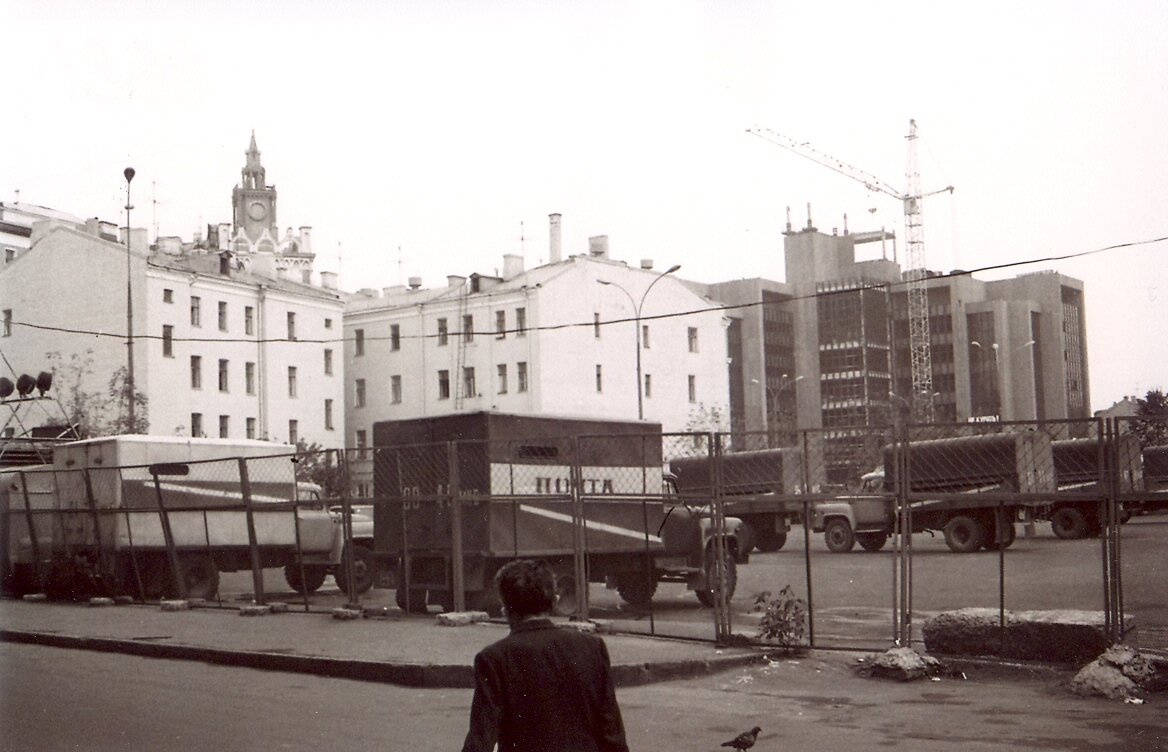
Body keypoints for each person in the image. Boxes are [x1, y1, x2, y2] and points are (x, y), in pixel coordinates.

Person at [461, 559, 629, 752]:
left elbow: (481, 739)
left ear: (505, 608)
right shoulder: (592, 648)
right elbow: (612, 733)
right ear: (554, 601)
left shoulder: (494, 659)